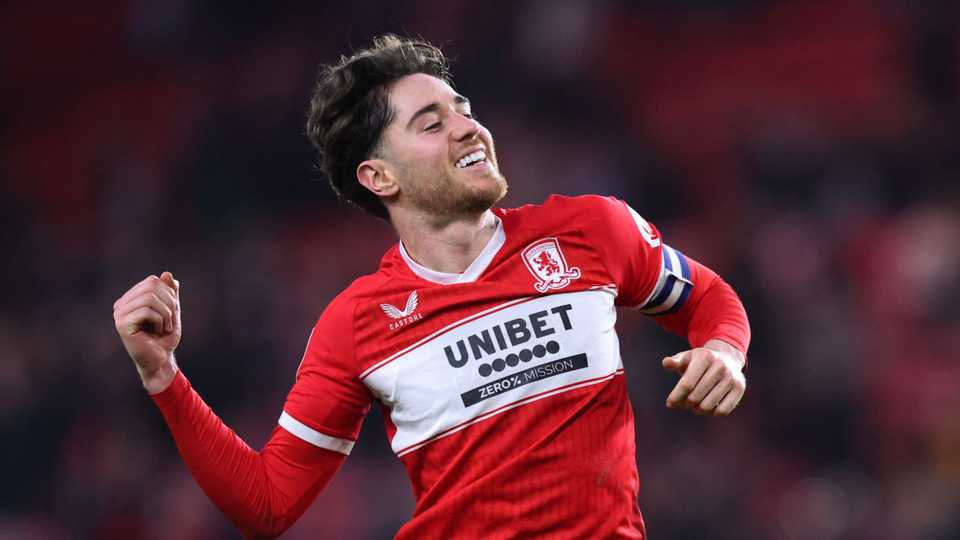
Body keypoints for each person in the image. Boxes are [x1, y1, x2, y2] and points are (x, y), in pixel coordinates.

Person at [112, 35, 750, 539]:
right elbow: (268, 504)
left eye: (463, 110)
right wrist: (163, 376)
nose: (468, 127)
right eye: (431, 123)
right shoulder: (356, 323)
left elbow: (708, 298)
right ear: (379, 177)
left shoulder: (592, 229)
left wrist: (723, 349)